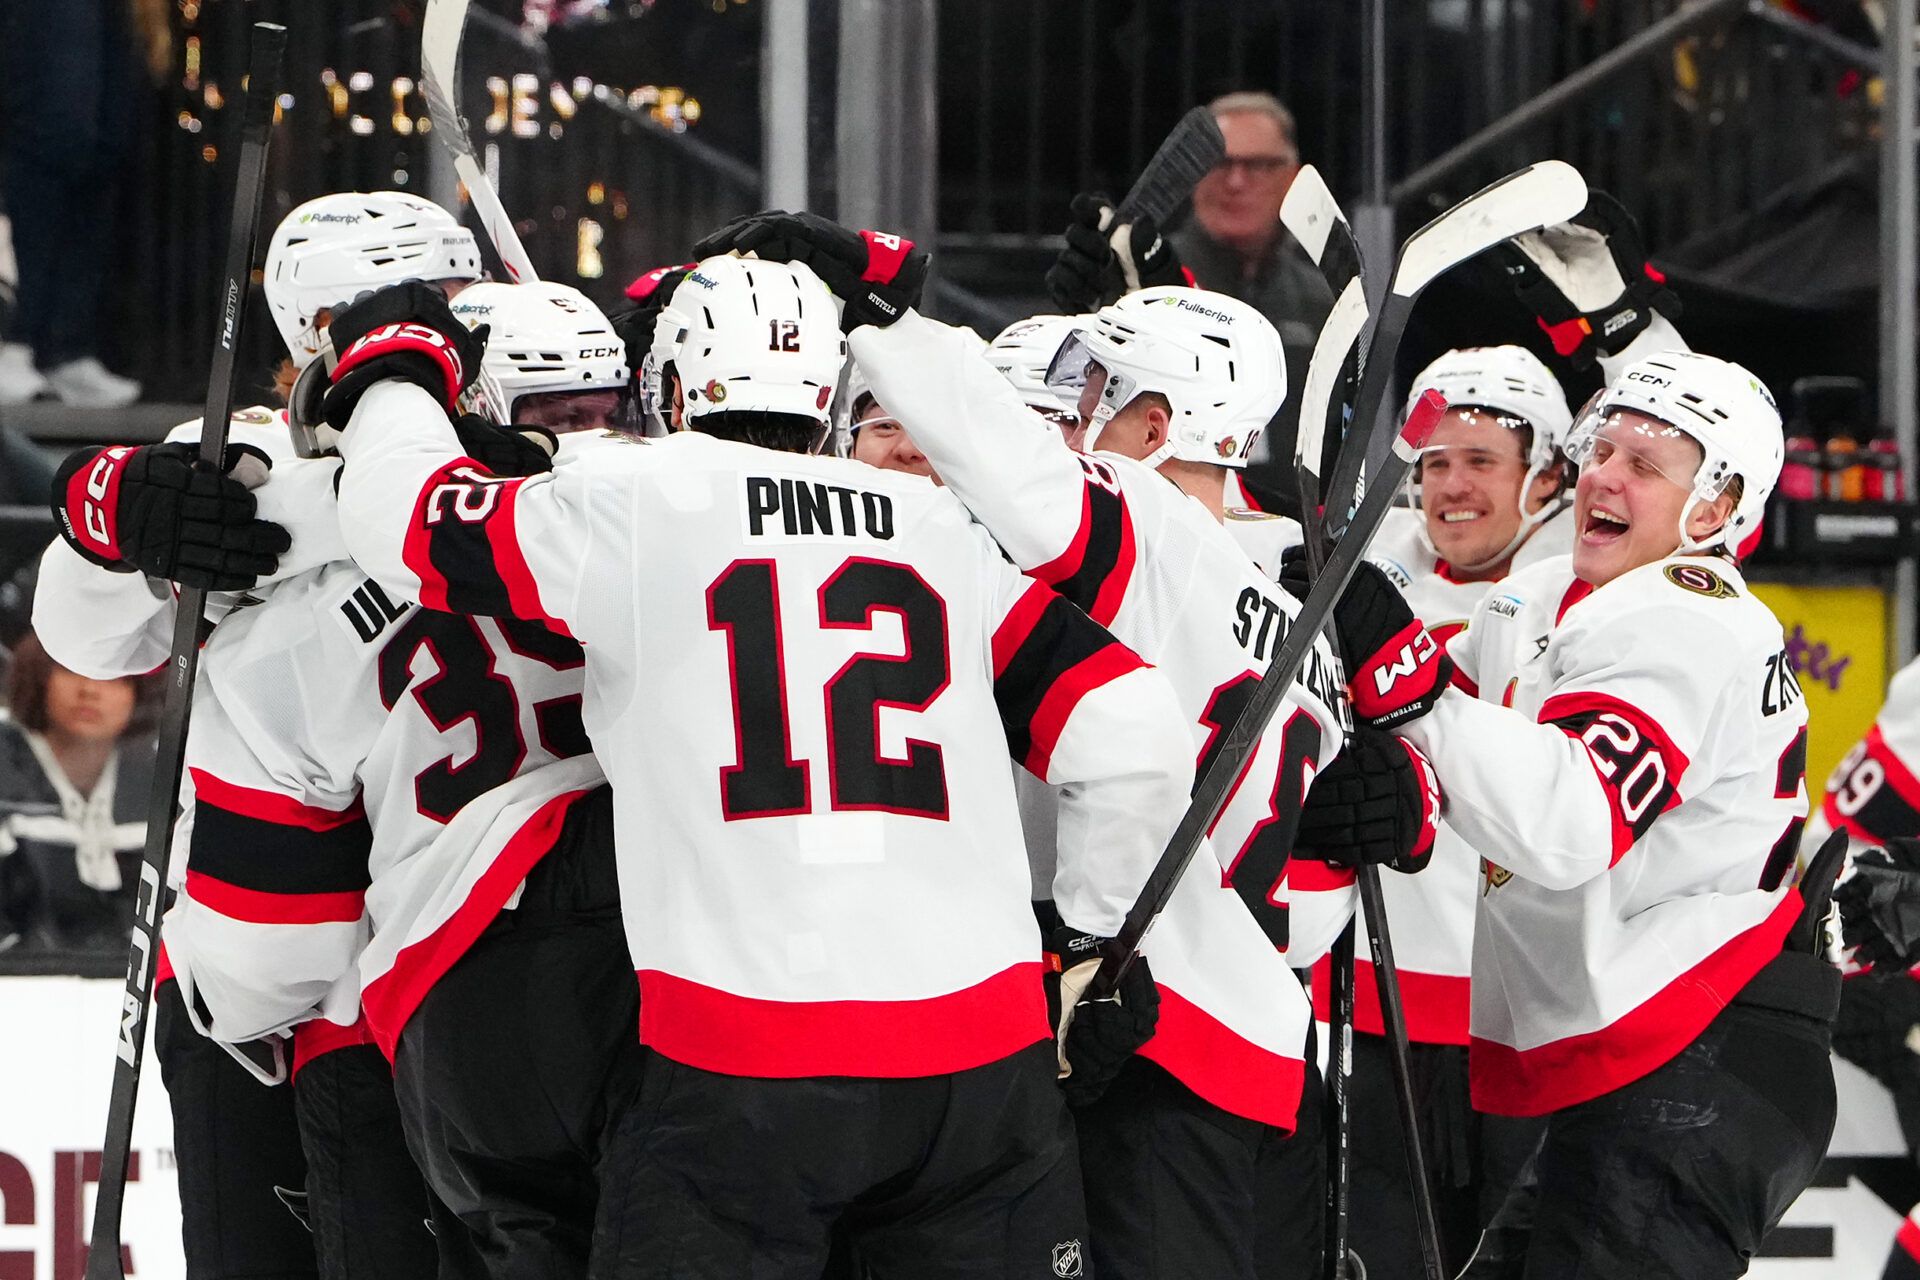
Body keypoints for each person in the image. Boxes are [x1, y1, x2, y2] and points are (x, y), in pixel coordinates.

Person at [325, 249, 1200, 1279]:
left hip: (744, 1065)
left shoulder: (633, 496)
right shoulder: (938, 530)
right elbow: (1130, 724)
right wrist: (1098, 940)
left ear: (679, 389)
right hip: (980, 1070)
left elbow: (403, 522)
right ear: (827, 399)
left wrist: (392, 366)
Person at [705, 212, 1447, 1280]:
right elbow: (1313, 872)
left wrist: (883, 311)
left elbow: (1029, 497)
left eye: (1087, 401)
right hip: (1243, 1042)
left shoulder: (1142, 534)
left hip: (1128, 1032)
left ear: (1155, 427)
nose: (1064, 425)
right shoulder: (1295, 628)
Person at [35, 189, 484, 1280]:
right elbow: (82, 640)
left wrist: (297, 516)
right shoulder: (223, 450)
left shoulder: (512, 461)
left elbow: (407, 503)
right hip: (245, 982)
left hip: (455, 976)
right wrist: (118, 527)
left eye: (462, 304)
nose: (461, 333)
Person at [158, 278, 642, 1280]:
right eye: (564, 415)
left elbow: (267, 957)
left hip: (417, 1034)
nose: (582, 437)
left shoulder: (299, 618)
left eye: (593, 411)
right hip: (689, 1005)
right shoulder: (696, 547)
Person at [1324, 350, 1838, 1277]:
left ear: (1716, 510)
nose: (1605, 471)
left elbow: (1567, 826)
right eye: (1605, 447)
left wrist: (1410, 690)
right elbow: (1460, 749)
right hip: (1632, 1051)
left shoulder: (1689, 617)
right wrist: (1402, 782)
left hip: (1698, 1049)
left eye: (1646, 464)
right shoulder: (1537, 599)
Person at [1304, 344, 1575, 1277]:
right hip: (1383, 1007)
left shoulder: (1584, 592)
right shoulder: (1369, 570)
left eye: (1482, 461)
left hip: (1527, 1016)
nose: (1451, 487)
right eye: (1434, 463)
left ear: (1544, 473)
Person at [1045, 91, 1334, 506]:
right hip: (1167, 509)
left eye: (1257, 165)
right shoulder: (1146, 278)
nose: (1236, 181)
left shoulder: (1319, 298)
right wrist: (1091, 316)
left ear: (1293, 178)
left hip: (1296, 530)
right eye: (1220, 163)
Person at [0, 630, 154, 952]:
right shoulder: (6, 763)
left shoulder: (164, 782)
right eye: (71, 670)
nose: (90, 690)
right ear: (39, 678)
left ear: (140, 691)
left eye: (114, 678)